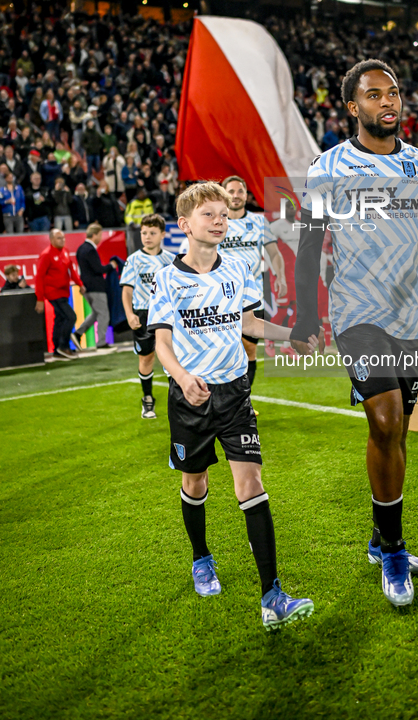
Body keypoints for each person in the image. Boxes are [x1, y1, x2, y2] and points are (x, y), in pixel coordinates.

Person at [291, 59, 418, 606]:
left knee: (393, 436)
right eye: (374, 95)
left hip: (407, 317)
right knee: (387, 416)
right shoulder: (329, 167)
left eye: (394, 92)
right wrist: (308, 318)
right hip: (356, 314)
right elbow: (309, 247)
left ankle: (381, 537)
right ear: (353, 107)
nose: (389, 102)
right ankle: (394, 554)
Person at [148, 182, 316, 628]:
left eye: (224, 214)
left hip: (234, 392)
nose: (220, 220)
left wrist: (292, 335)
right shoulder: (166, 278)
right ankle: (202, 557)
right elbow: (161, 342)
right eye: (209, 214)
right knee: (196, 482)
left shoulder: (239, 266)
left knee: (251, 483)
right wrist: (183, 378)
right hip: (189, 398)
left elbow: (249, 323)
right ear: (183, 225)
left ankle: (272, 596)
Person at [221, 176, 287, 389]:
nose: (236, 196)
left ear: (246, 194)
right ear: (223, 195)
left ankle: (244, 400)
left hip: (251, 297)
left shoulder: (259, 221)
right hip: (221, 297)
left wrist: (281, 276)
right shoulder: (217, 223)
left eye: (240, 191)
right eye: (231, 191)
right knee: (226, 351)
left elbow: (274, 254)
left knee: (249, 351)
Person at [120, 213, 174, 419]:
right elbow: (126, 290)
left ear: (162, 234)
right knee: (147, 358)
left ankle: (178, 401)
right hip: (143, 314)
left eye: (152, 233)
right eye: (144, 233)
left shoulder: (171, 259)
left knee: (172, 357)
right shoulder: (134, 260)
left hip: (166, 314)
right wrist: (130, 314)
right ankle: (148, 399)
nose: (147, 236)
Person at [35, 228, 85, 361]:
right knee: (70, 317)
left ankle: (57, 349)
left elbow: (71, 270)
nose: (62, 240)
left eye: (63, 238)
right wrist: (39, 299)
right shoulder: (46, 255)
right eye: (59, 238)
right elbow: (39, 277)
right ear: (51, 240)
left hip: (64, 291)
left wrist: (79, 284)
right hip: (52, 292)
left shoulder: (65, 252)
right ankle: (63, 346)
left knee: (61, 319)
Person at [71, 223, 117, 350]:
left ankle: (78, 333)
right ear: (95, 234)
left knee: (96, 314)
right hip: (96, 287)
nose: (101, 237)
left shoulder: (81, 248)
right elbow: (98, 269)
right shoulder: (90, 250)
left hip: (87, 286)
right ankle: (101, 342)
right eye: (100, 235)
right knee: (103, 314)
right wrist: (111, 266)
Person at [124, 186, 154, 255]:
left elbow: (152, 214)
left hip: (147, 228)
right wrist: (131, 224)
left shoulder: (148, 202)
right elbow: (128, 216)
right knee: (137, 247)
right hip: (137, 229)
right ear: (138, 194)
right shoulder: (133, 203)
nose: (143, 194)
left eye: (144, 192)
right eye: (141, 193)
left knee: (148, 247)